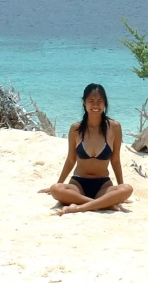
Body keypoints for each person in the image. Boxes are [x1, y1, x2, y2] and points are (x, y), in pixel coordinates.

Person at [40, 83, 133, 215]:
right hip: (78, 184)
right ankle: (101, 204)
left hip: (103, 185)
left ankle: (80, 207)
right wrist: (59, 182)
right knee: (56, 189)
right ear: (84, 103)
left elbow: (116, 160)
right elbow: (71, 160)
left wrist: (119, 186)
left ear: (105, 103)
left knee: (127, 189)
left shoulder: (114, 127)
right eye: (91, 101)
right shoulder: (75, 129)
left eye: (100, 101)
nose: (95, 105)